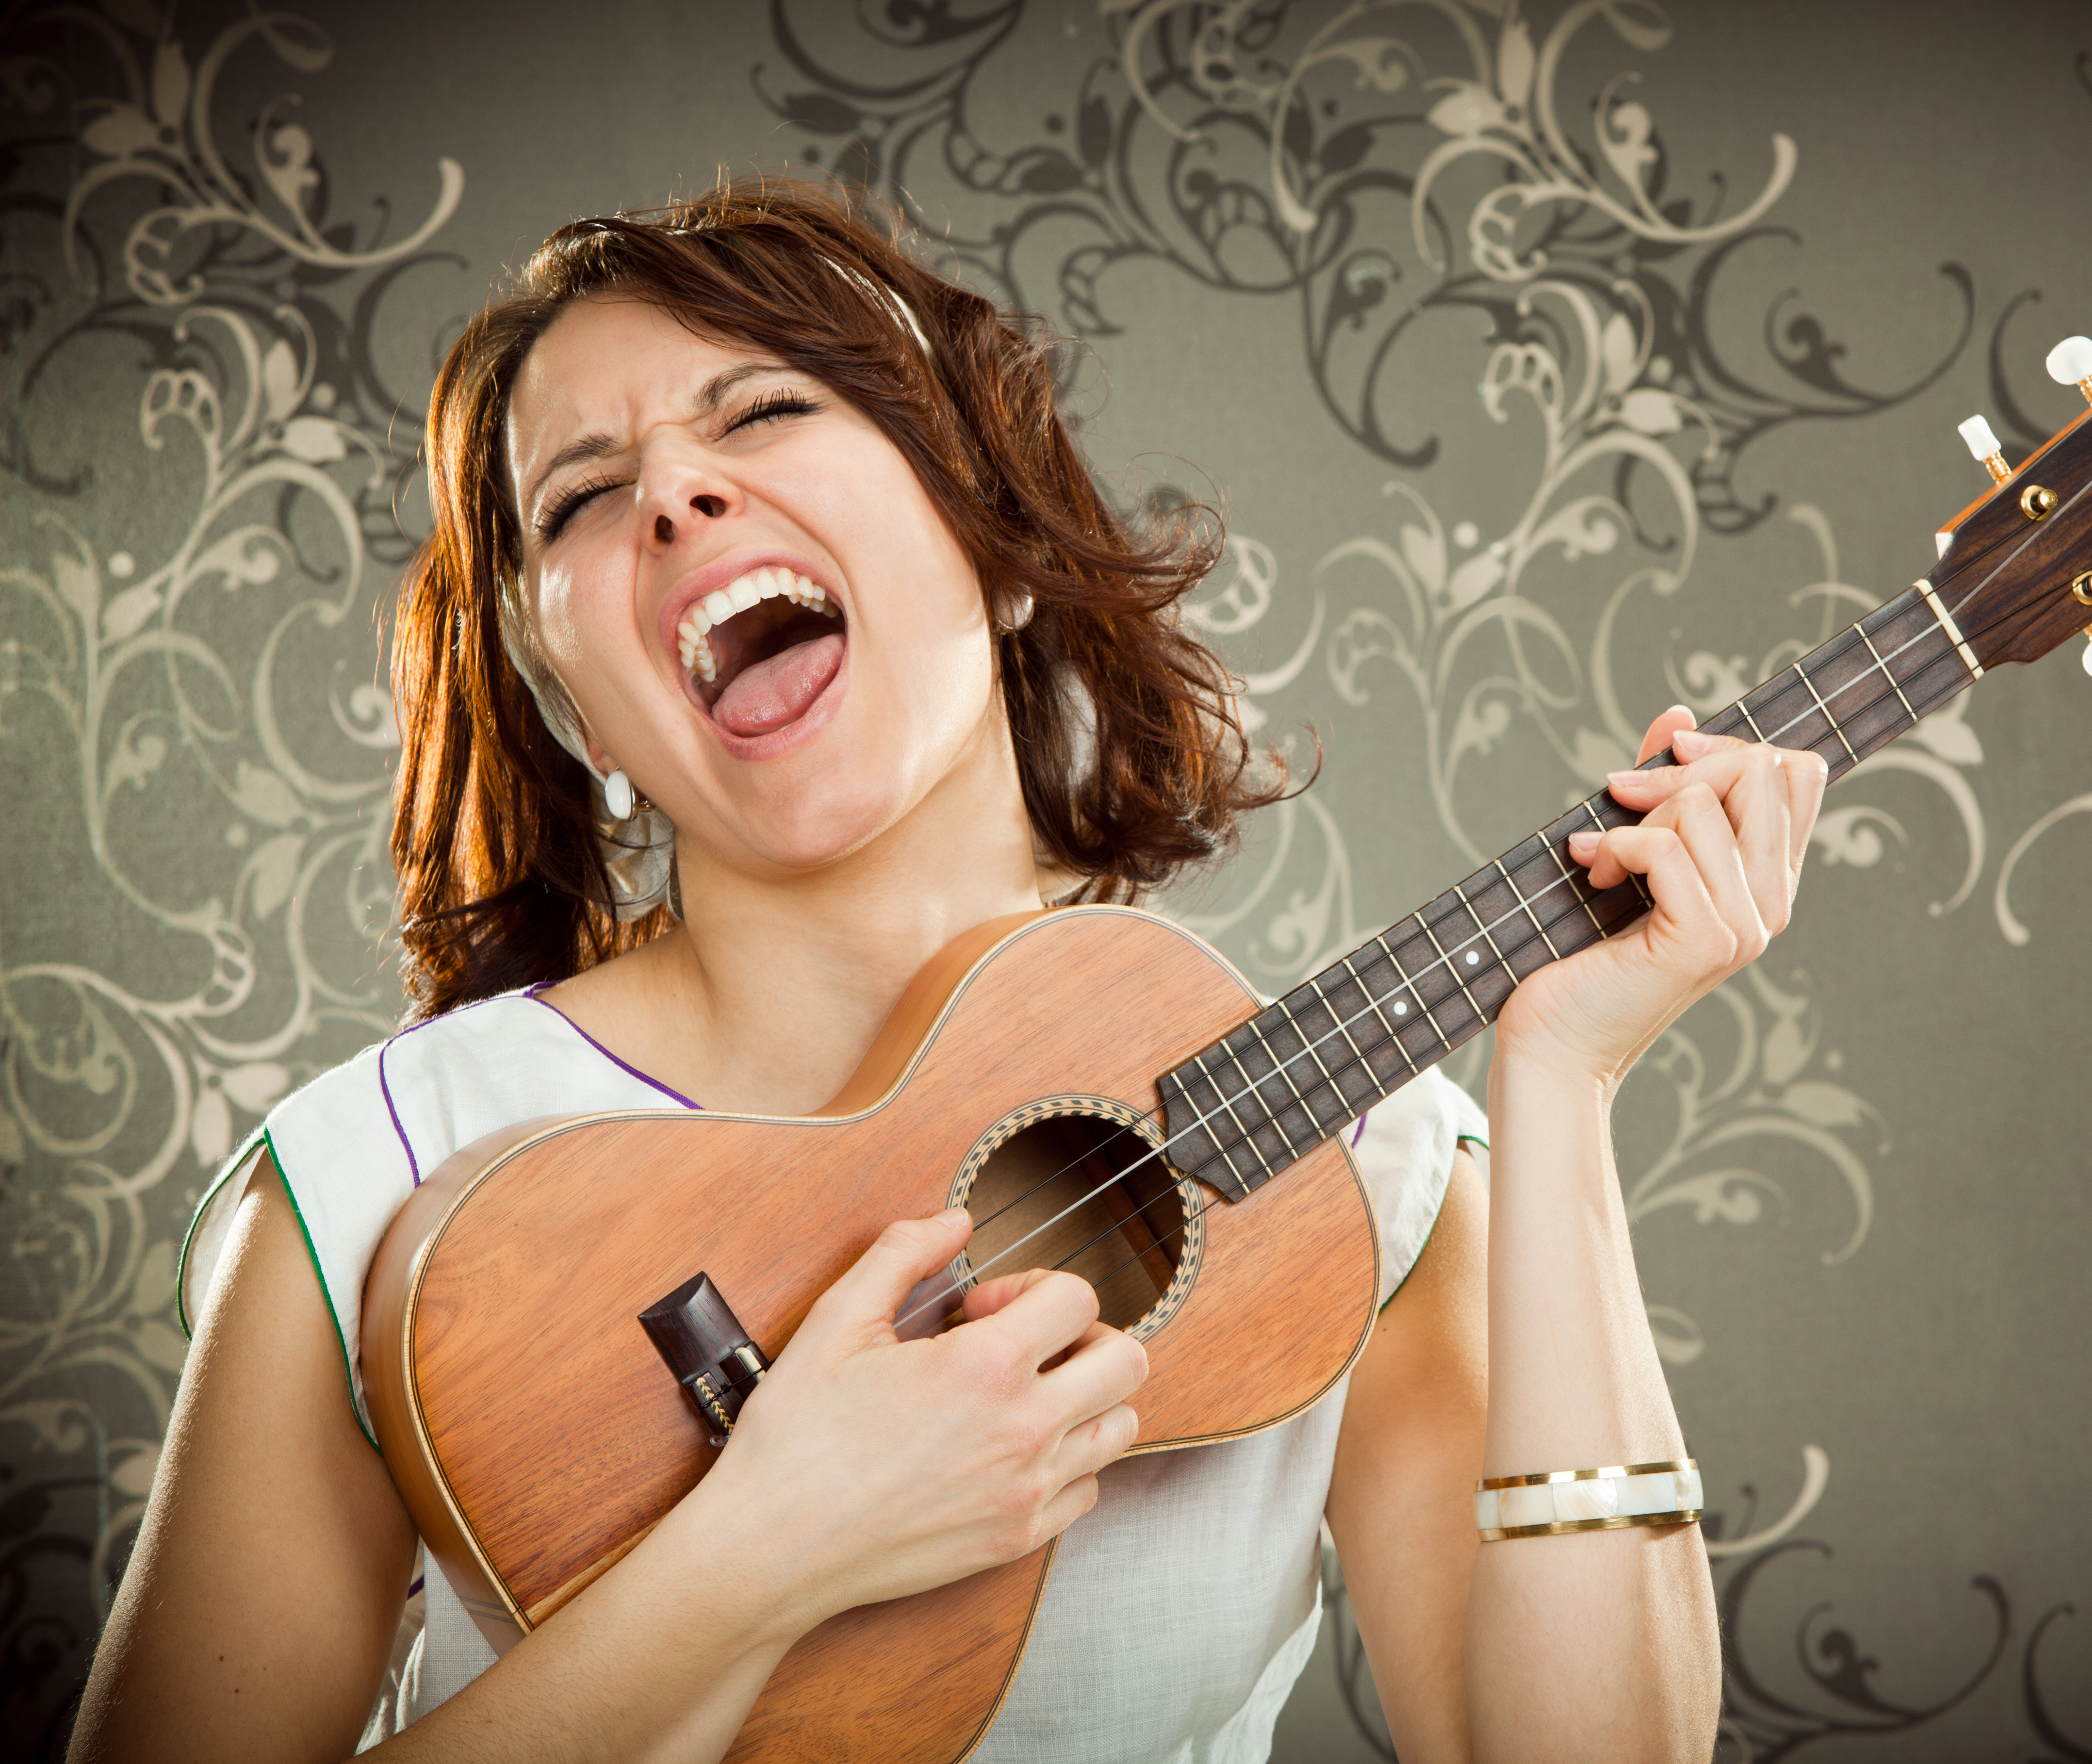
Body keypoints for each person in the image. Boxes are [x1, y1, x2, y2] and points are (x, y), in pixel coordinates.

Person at [69, 177, 1826, 1763]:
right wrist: (774, 1546)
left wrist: (1565, 1090)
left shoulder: (1366, 1170)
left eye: (764, 410)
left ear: (996, 554)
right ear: (574, 703)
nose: (675, 491)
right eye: (582, 500)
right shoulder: (378, 1174)